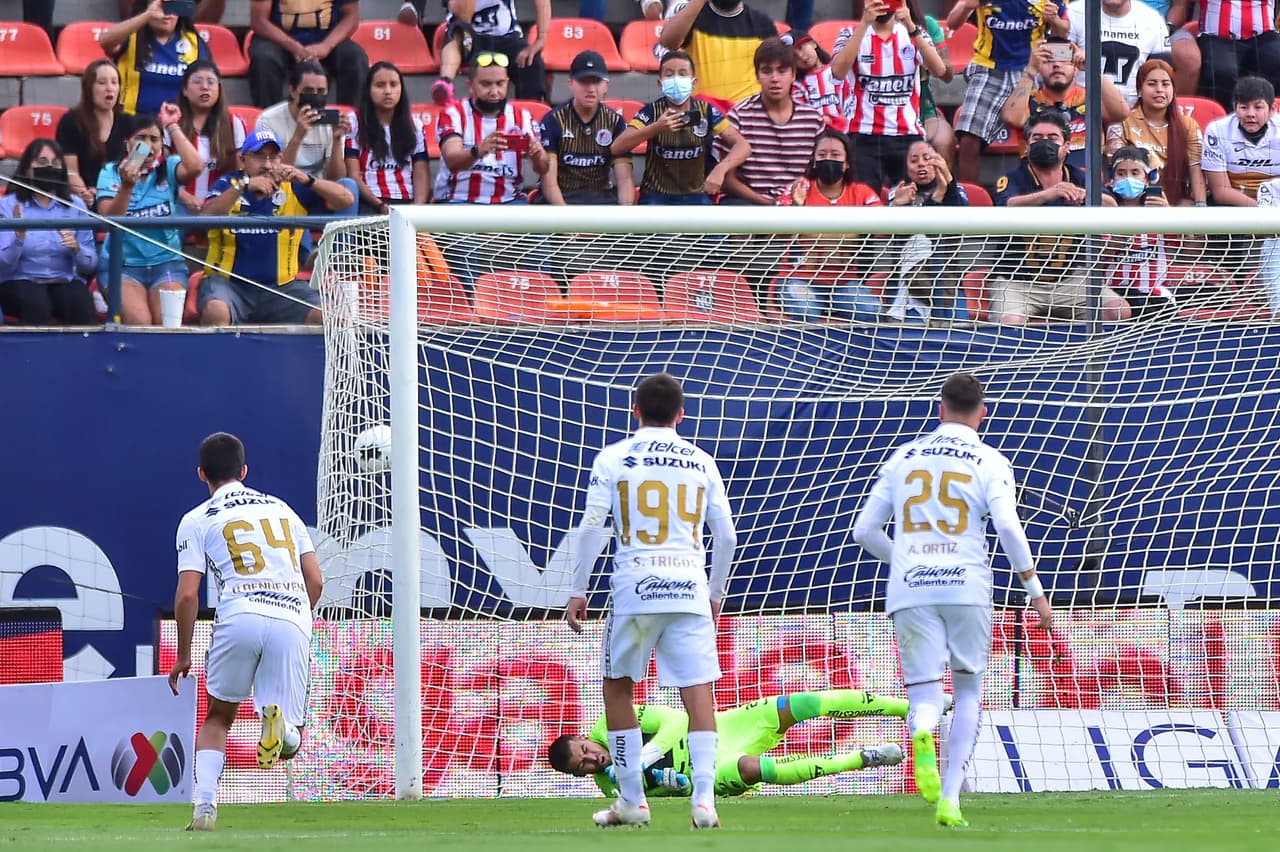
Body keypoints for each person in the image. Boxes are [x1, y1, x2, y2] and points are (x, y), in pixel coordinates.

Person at [852, 372, 1054, 828]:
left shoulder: (904, 457)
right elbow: (1006, 527)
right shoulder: (989, 459)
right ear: (982, 413)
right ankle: (950, 799)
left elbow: (863, 531)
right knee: (968, 691)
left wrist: (904, 559)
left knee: (924, 690)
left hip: (911, 584)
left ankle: (921, 729)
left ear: (939, 409)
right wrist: (1035, 592)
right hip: (966, 583)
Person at [565, 372, 737, 829]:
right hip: (689, 586)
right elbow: (726, 536)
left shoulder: (614, 457)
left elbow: (590, 527)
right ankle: (704, 799)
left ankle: (633, 801)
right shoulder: (701, 460)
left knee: (618, 687)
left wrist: (579, 589)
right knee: (699, 692)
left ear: (635, 410)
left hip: (636, 587)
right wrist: (715, 594)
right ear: (681, 415)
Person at [168, 432, 323, 832]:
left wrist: (184, 655)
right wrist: (296, 618)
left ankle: (204, 807)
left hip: (238, 616)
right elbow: (316, 583)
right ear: (245, 471)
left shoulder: (197, 519)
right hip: (291, 612)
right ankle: (282, 728)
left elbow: (187, 596)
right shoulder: (284, 511)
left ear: (202, 473)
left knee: (218, 717)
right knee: (292, 741)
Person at [547, 690, 911, 798]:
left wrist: (645, 758)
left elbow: (677, 720)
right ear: (583, 777)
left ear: (584, 737)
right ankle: (862, 758)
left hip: (721, 726)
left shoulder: (610, 724)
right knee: (752, 769)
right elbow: (681, 790)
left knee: (799, 705)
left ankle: (908, 708)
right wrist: (672, 782)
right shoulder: (613, 787)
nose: (594, 758)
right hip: (711, 770)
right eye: (585, 765)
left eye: (585, 750)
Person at [198, 129, 354, 325]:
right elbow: (204, 220)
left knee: (331, 316)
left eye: (274, 157)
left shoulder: (294, 187)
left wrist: (309, 180)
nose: (267, 164)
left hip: (283, 288)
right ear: (242, 158)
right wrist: (243, 187)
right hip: (229, 285)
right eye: (259, 156)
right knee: (216, 311)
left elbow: (346, 200)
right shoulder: (227, 184)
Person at [992, 112, 1132, 324]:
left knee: (1119, 310)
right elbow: (1005, 205)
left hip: (1071, 279)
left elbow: (1111, 204)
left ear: (1067, 146)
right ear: (1027, 146)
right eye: (1037, 138)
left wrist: (1085, 195)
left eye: (1052, 138)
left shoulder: (1081, 177)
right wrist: (1050, 193)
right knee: (1009, 322)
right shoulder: (1012, 178)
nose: (1044, 143)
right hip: (1017, 282)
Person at [97, 108, 204, 325]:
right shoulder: (110, 172)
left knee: (167, 324)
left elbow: (196, 166)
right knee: (141, 324)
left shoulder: (170, 166)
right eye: (141, 138)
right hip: (123, 267)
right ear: (127, 143)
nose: (148, 144)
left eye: (155, 139)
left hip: (167, 264)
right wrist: (127, 187)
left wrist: (172, 125)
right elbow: (109, 220)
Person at [948, 0, 1070, 185]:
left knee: (1048, 135)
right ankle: (969, 201)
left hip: (1032, 67)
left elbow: (1063, 35)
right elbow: (952, 23)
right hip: (988, 68)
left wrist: (1054, 20)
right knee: (968, 140)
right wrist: (966, 6)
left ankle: (1048, 193)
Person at [835, 0, 948, 192]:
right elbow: (837, 72)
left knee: (913, 204)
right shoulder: (849, 33)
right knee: (865, 202)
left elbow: (939, 70)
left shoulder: (914, 33)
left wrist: (911, 26)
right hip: (863, 134)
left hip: (907, 134)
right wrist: (864, 24)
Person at [611, 51, 750, 205]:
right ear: (660, 83)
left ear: (694, 82)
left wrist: (721, 168)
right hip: (657, 196)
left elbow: (743, 145)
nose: (676, 79)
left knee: (715, 229)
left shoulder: (706, 111)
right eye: (669, 75)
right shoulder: (652, 111)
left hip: (696, 196)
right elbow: (617, 147)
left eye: (682, 74)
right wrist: (656, 128)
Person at [777, 129, 883, 322]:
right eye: (822, 155)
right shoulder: (798, 189)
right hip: (799, 280)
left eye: (835, 155)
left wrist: (899, 207)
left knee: (871, 311)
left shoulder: (862, 193)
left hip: (844, 283)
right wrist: (796, 207)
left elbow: (883, 231)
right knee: (806, 311)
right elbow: (775, 236)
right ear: (814, 161)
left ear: (847, 163)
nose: (828, 159)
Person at [0, 139, 99, 326]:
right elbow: (2, 266)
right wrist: (18, 238)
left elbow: (91, 265)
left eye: (55, 164)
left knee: (79, 301)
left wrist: (77, 249)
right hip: (20, 280)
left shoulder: (75, 205)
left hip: (63, 280)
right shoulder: (8, 205)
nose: (49, 168)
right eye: (42, 162)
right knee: (36, 303)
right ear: (27, 168)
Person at [717, 38, 826, 205]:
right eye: (767, 71)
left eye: (782, 71)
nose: (774, 79)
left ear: (793, 75)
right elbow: (727, 180)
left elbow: (818, 175)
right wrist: (770, 205)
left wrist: (791, 201)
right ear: (757, 76)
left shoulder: (813, 120)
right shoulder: (739, 116)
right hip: (748, 203)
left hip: (799, 204)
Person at [434, 52, 550, 205]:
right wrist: (478, 151)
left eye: (500, 83)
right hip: (458, 200)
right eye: (486, 84)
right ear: (470, 86)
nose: (494, 92)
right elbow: (452, 160)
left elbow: (543, 168)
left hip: (509, 202)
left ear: (507, 83)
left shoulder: (522, 117)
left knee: (545, 229)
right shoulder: (453, 114)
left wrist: (537, 155)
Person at [1000, 37, 1129, 171]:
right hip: (1038, 181)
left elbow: (1121, 113)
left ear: (1075, 67)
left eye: (1063, 58)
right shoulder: (1028, 99)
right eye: (1048, 59)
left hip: (1087, 182)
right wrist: (1030, 71)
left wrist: (1093, 69)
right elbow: (1011, 118)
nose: (1056, 65)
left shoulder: (1091, 98)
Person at [255, 61, 359, 218]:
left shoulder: (330, 119)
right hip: (284, 190)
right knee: (287, 193)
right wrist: (298, 135)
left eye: (321, 91)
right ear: (293, 90)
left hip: (316, 187)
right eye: (309, 91)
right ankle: (301, 242)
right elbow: (276, 175)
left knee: (347, 186)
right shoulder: (268, 120)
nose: (315, 96)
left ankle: (343, 243)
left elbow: (336, 178)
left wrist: (337, 140)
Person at [887, 139, 971, 324]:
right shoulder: (898, 193)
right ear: (906, 166)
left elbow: (960, 220)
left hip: (948, 279)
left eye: (927, 158)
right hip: (908, 280)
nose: (922, 164)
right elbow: (906, 233)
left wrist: (946, 186)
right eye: (914, 160)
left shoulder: (957, 190)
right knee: (907, 339)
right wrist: (897, 207)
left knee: (961, 335)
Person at [537, 50, 635, 205]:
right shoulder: (553, 120)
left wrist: (625, 219)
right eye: (584, 81)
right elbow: (549, 183)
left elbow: (624, 180)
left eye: (596, 81)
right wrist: (568, 225)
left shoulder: (615, 122)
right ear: (571, 83)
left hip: (600, 200)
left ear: (606, 85)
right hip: (561, 200)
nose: (590, 88)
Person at [1106, 59, 1207, 207]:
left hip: (1173, 204)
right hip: (1130, 201)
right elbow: (1119, 172)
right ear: (1139, 90)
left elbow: (1195, 169)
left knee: (1188, 206)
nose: (1159, 89)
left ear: (1173, 90)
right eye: (1152, 84)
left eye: (1165, 84)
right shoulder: (1122, 122)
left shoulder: (1188, 126)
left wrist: (1201, 206)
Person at [657, 0, 780, 112]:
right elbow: (668, 42)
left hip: (746, 115)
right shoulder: (694, 17)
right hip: (703, 114)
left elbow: (775, 72)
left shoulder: (762, 24)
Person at [1099, 146, 1178, 318]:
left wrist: (1171, 215)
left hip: (1156, 296)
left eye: (1135, 173)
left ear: (1148, 179)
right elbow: (1100, 254)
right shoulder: (1103, 212)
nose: (1128, 178)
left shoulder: (1161, 214)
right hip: (1114, 296)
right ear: (1111, 180)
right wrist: (1122, 233)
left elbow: (1188, 247)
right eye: (1121, 173)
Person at [248, 0, 368, 110]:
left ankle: (351, 124)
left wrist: (327, 45)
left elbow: (351, 17)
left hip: (327, 39)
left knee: (355, 59)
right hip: (279, 40)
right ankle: (269, 125)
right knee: (264, 59)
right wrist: (294, 47)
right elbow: (259, 21)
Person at [99, 0, 211, 117]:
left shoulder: (194, 44)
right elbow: (106, 42)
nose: (166, 15)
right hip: (132, 124)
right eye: (161, 8)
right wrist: (148, 14)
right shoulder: (131, 37)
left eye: (172, 7)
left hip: (178, 125)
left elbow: (207, 85)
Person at [346, 62, 431, 212]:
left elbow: (421, 172)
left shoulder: (415, 125)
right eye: (380, 85)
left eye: (393, 85)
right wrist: (379, 205)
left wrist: (417, 208)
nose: (387, 91)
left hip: (407, 201)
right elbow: (353, 175)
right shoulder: (355, 122)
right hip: (369, 202)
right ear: (368, 90)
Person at [433, 0, 551, 104]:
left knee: (531, 61)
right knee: (458, 33)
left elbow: (543, 2)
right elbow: (463, 17)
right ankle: (445, 82)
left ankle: (532, 112)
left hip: (507, 36)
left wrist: (541, 39)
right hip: (469, 37)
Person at [1168, 0, 1280, 110]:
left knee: (1276, 60)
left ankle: (1274, 121)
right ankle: (1220, 122)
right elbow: (1180, 6)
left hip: (1265, 36)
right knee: (1222, 71)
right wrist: (1166, 29)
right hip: (1216, 37)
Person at [1066, 0, 1171, 107]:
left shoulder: (1152, 19)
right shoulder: (1073, 12)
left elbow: (1163, 72)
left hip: (1134, 109)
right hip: (1079, 108)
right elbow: (1057, 64)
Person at [175, 60, 248, 212]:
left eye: (211, 82)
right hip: (179, 204)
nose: (205, 87)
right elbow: (160, 176)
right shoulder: (172, 122)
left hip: (222, 206)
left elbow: (241, 173)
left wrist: (217, 203)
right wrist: (187, 198)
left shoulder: (234, 123)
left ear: (219, 89)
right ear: (185, 90)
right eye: (197, 82)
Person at [57, 59, 128, 210]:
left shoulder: (129, 123)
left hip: (120, 198)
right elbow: (71, 171)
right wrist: (85, 193)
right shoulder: (71, 121)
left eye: (114, 83)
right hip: (83, 198)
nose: (110, 88)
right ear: (89, 88)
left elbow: (137, 165)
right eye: (102, 83)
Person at [1201, 76, 1280, 206]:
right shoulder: (1217, 130)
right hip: (1234, 207)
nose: (1250, 114)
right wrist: (1262, 210)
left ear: (1272, 110)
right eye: (1244, 107)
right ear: (1235, 107)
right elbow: (1221, 192)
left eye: (1258, 107)